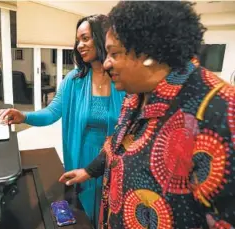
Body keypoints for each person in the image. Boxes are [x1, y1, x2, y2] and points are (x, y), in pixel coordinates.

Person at [59, 2, 235, 229]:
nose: (106, 62)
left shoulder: (222, 112)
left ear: (148, 52)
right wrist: (89, 171)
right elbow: (119, 143)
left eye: (114, 53)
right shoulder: (136, 94)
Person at [0, 14, 126, 226]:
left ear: (102, 38)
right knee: (83, 213)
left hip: (111, 160)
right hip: (81, 155)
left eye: (85, 38)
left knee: (108, 212)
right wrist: (24, 116)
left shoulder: (122, 79)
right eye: (78, 40)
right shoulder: (73, 80)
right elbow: (52, 113)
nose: (80, 45)